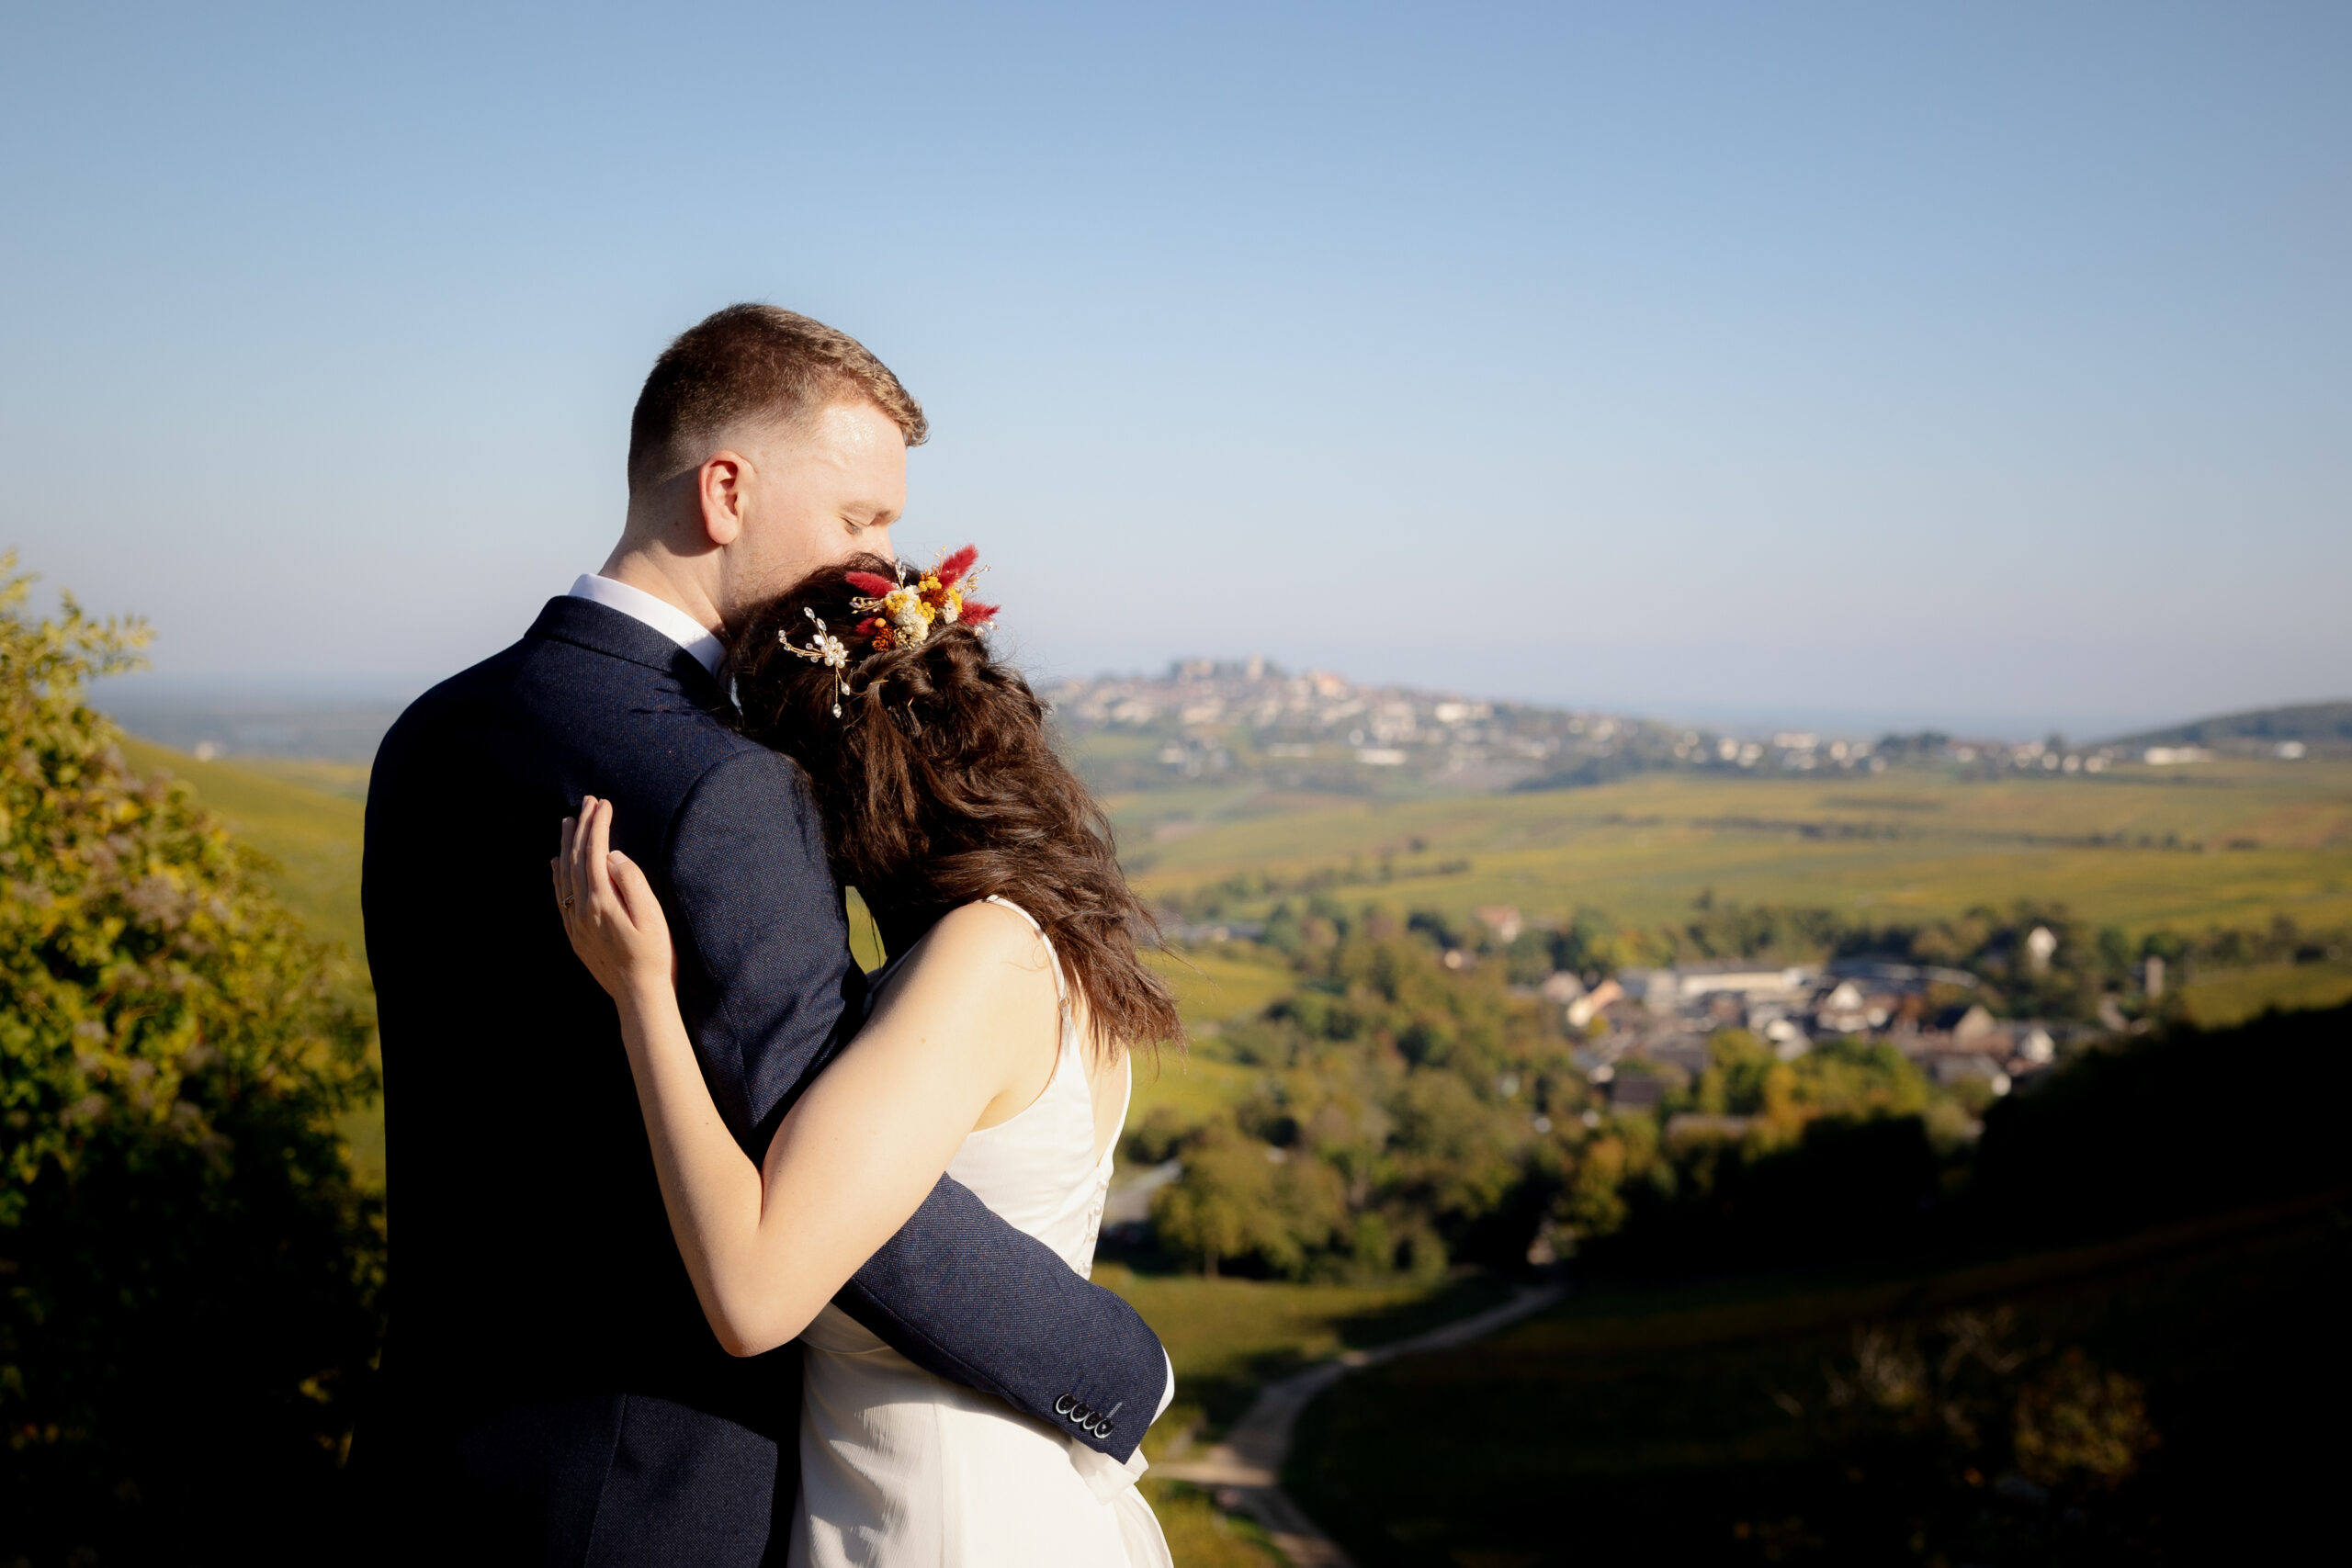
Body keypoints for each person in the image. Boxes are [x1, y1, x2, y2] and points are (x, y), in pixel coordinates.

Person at [360, 306, 1172, 1565]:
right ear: (726, 490)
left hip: (431, 1463)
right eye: (860, 521)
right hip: (655, 1494)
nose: (885, 569)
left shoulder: (431, 732)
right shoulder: (727, 785)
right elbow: (841, 1192)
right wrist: (1114, 1366)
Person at [551, 547, 1180, 1564]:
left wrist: (642, 997)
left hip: (939, 1522)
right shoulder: (1041, 941)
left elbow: (754, 1294)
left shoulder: (988, 956)